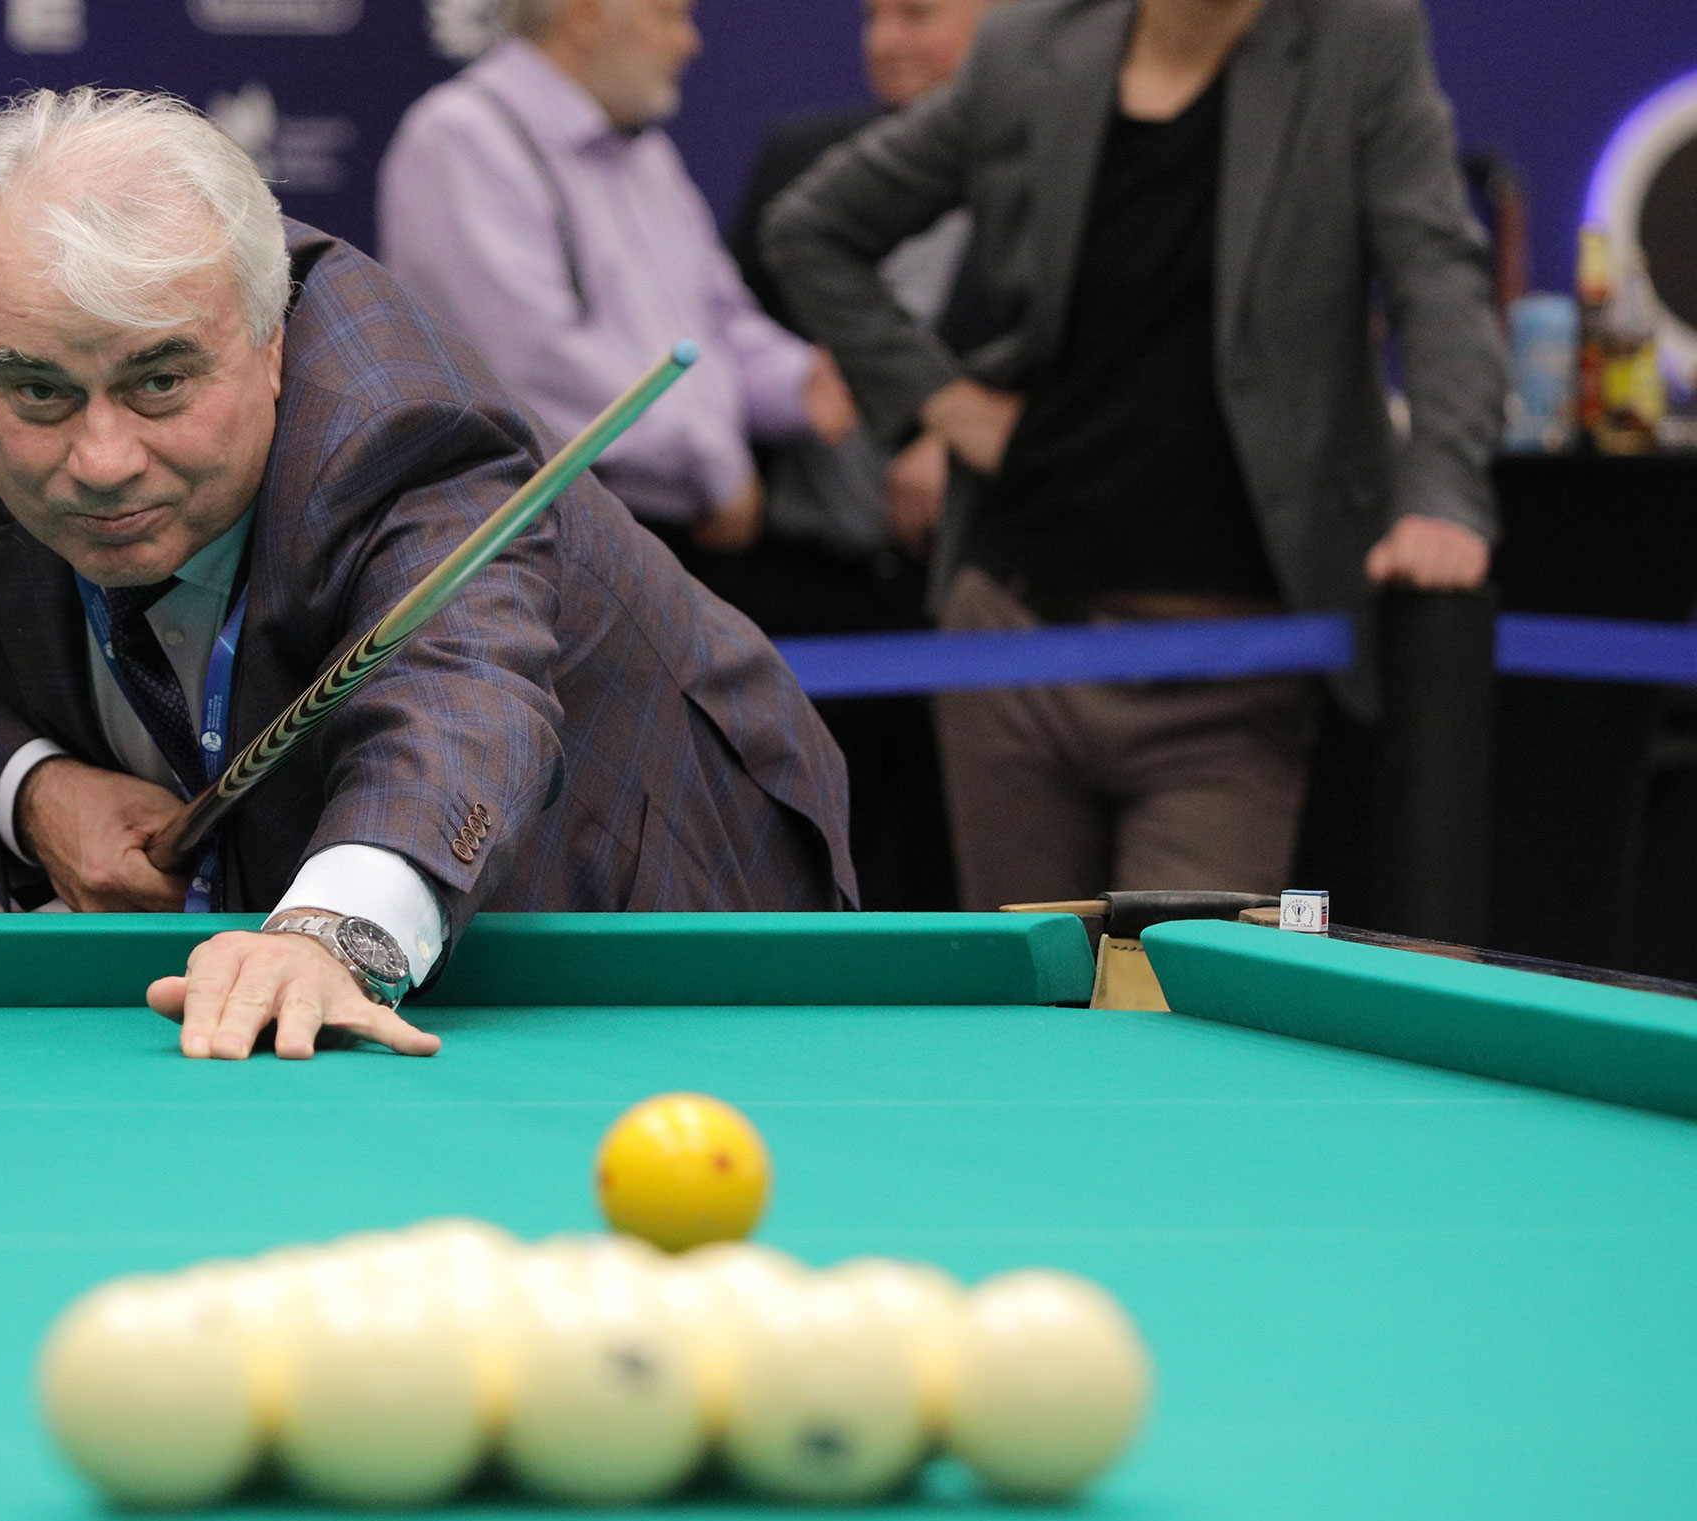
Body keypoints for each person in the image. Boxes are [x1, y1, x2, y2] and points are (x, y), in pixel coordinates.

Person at [0, 89, 855, 1063]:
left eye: (160, 381)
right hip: (273, 907)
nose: (103, 460)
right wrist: (36, 789)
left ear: (271, 345)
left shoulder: (398, 425)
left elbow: (459, 690)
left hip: (634, 835)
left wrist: (331, 934)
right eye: (40, 393)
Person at [763, 0, 1506, 909]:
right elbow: (811, 228)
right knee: (1035, 992)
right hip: (1012, 646)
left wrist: (1441, 496)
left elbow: (1440, 281)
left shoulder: (1359, 42)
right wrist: (942, 404)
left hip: (1235, 668)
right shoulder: (1030, 46)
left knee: (1181, 991)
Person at [374, 0, 859, 568]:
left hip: (669, 535)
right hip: (546, 547)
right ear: (585, 14)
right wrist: (715, 464)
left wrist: (798, 381)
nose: (688, 42)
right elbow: (534, 367)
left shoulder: (646, 153)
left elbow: (714, 318)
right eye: (668, 15)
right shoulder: (461, 137)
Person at [721, 0, 1000, 910]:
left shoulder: (1051, 174)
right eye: (875, 16)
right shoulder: (801, 161)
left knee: (954, 885)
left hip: (965, 590)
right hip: (805, 587)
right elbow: (726, 330)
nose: (885, 41)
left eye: (917, 14)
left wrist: (953, 429)